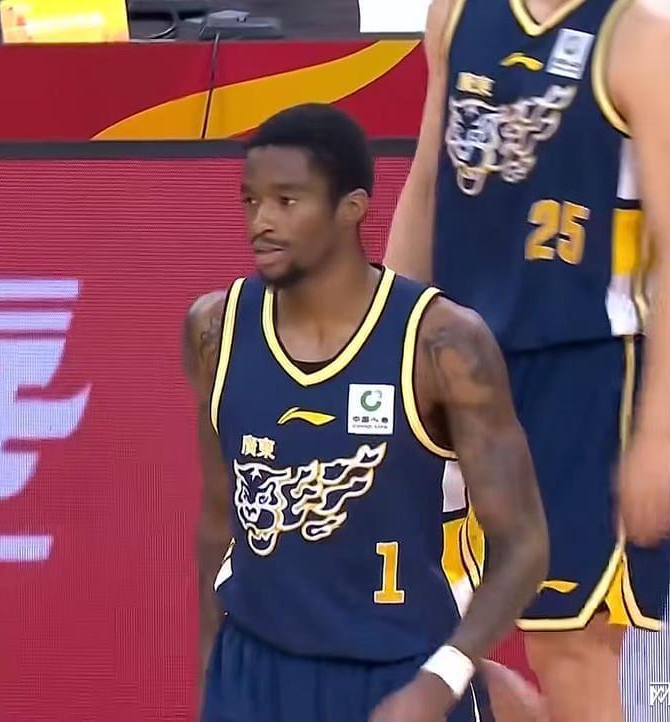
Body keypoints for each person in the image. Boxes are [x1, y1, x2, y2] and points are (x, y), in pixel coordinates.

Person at [383, 0, 670, 716]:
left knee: (569, 650)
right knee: (414, 638)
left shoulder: (650, 31)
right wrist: (383, 348)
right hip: (458, 371)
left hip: (586, 379)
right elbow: (427, 186)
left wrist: (658, 432)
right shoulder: (456, 14)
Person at [185, 103, 550, 722]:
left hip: (400, 673)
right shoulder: (214, 329)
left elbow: (524, 546)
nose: (261, 221)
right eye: (251, 201)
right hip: (254, 670)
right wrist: (209, 668)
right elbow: (219, 519)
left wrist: (438, 683)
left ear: (351, 208)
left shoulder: (442, 343)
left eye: (286, 201)